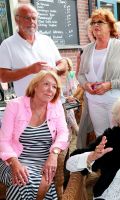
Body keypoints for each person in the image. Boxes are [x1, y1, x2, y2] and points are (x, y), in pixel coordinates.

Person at [0, 70, 69, 199]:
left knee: (19, 185)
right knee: (30, 181)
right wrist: (15, 163)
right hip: (13, 160)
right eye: (46, 84)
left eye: (54, 87)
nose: (50, 90)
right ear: (35, 86)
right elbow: (3, 140)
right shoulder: (15, 105)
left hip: (43, 163)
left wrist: (54, 154)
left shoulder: (56, 105)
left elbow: (63, 133)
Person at [77, 8, 120, 138]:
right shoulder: (87, 50)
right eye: (93, 23)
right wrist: (86, 84)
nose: (95, 25)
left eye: (100, 22)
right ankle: (105, 159)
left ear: (110, 26)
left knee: (119, 136)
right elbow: (80, 75)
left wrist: (109, 85)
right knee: (101, 137)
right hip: (93, 101)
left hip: (116, 101)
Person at [0, 3, 67, 97]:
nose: (32, 22)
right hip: (28, 104)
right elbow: (3, 77)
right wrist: (29, 70)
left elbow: (63, 63)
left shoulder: (47, 40)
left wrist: (55, 69)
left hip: (54, 101)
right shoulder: (7, 45)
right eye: (27, 18)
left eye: (34, 18)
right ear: (17, 20)